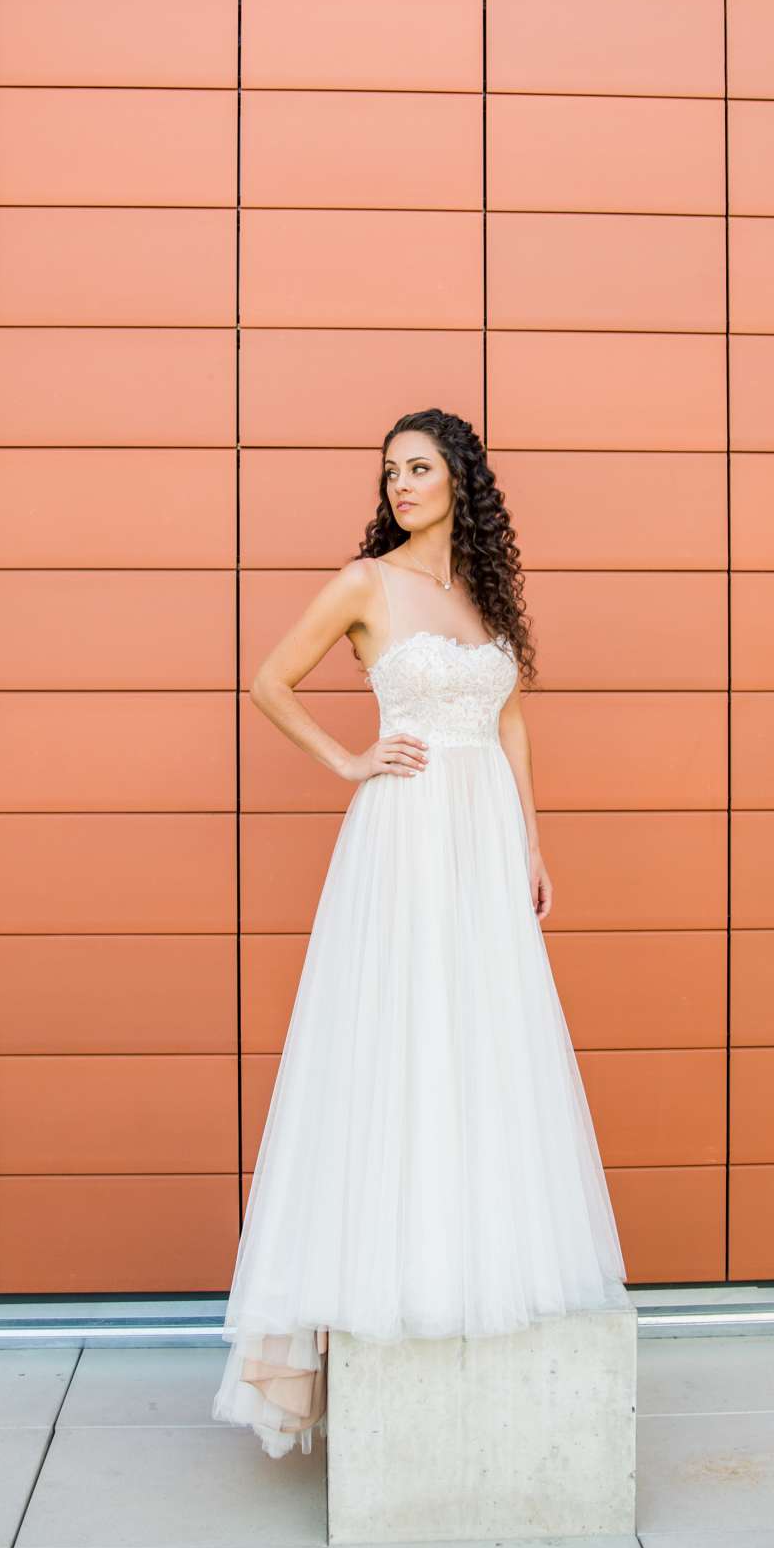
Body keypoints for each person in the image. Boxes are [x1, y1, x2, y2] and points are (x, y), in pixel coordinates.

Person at [211, 407, 632, 1458]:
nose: (400, 485)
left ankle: (471, 1270)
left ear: (460, 481)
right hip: (405, 837)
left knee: (482, 1042)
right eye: (390, 471)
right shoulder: (366, 583)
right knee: (399, 1041)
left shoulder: (481, 595)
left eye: (419, 468)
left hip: (483, 837)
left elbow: (512, 719)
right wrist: (349, 760)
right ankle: (383, 1287)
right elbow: (267, 681)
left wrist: (533, 844)